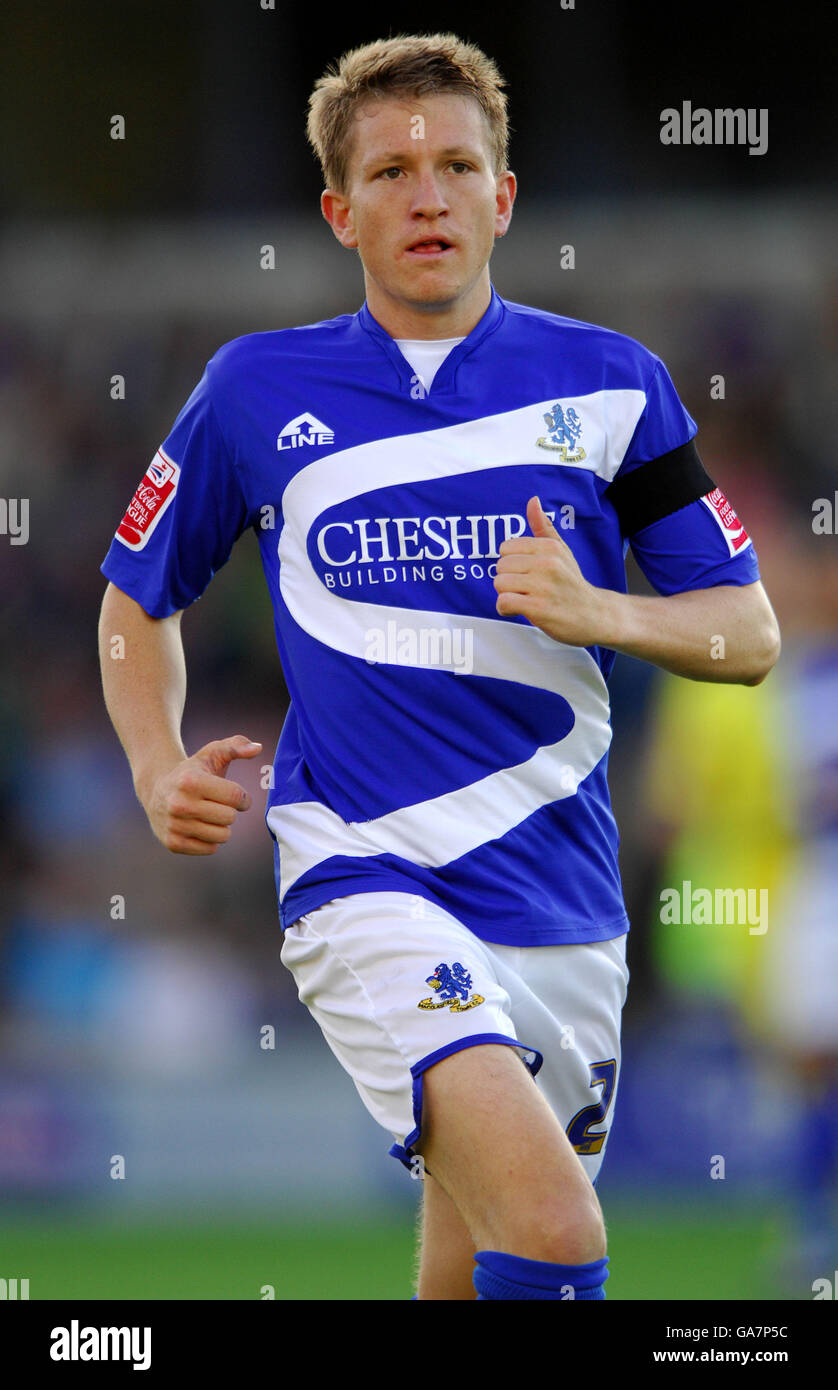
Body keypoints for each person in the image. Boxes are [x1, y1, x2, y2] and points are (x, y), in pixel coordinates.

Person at [97, 33, 781, 1301]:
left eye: (458, 166)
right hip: (364, 873)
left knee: (470, 1267)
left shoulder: (614, 384)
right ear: (339, 213)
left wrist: (601, 611)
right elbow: (137, 599)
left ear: (502, 198)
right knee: (558, 1234)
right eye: (392, 171)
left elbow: (747, 633)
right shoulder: (252, 390)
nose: (429, 196)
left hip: (565, 901)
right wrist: (152, 764)